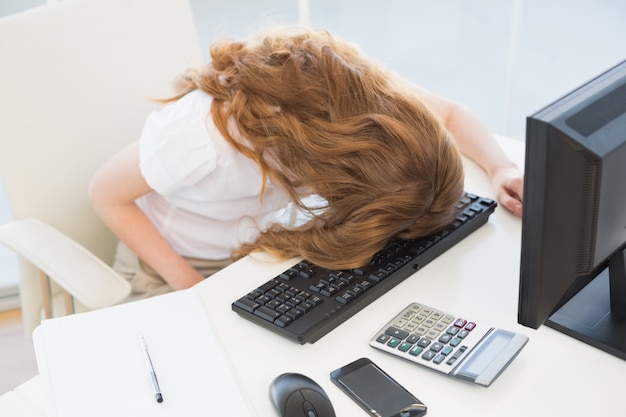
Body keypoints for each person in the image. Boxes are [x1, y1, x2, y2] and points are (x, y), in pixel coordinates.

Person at [88, 27, 523, 297]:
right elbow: (106, 196)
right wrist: (193, 289)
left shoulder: (368, 99)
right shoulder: (203, 138)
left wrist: (501, 167)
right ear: (337, 177)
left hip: (252, 251)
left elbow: (448, 116)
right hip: (173, 262)